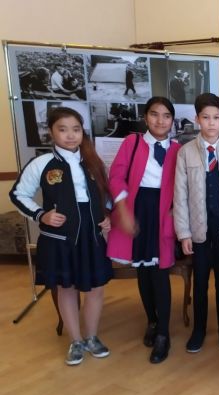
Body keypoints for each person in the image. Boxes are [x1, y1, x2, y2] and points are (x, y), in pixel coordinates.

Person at [10, 107, 113, 366]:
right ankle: (75, 340)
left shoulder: (93, 162)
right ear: (51, 132)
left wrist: (106, 215)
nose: (70, 135)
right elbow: (18, 194)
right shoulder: (42, 163)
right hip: (60, 238)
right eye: (63, 129)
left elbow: (105, 195)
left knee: (96, 288)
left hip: (91, 235)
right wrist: (41, 215)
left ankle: (91, 337)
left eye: (76, 130)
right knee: (66, 288)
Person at [107, 97, 182, 364]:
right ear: (146, 117)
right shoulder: (133, 142)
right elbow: (116, 176)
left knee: (160, 273)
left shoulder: (178, 149)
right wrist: (124, 210)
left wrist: (175, 211)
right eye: (154, 114)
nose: (160, 120)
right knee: (143, 271)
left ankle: (163, 333)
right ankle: (151, 320)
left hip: (163, 212)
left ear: (172, 121)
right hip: (137, 208)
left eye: (166, 116)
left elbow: (183, 184)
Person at [174, 93, 219, 352]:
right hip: (198, 228)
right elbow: (180, 196)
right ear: (197, 119)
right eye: (206, 117)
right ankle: (199, 330)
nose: (211, 123)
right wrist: (184, 233)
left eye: (216, 117)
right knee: (201, 280)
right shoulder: (185, 153)